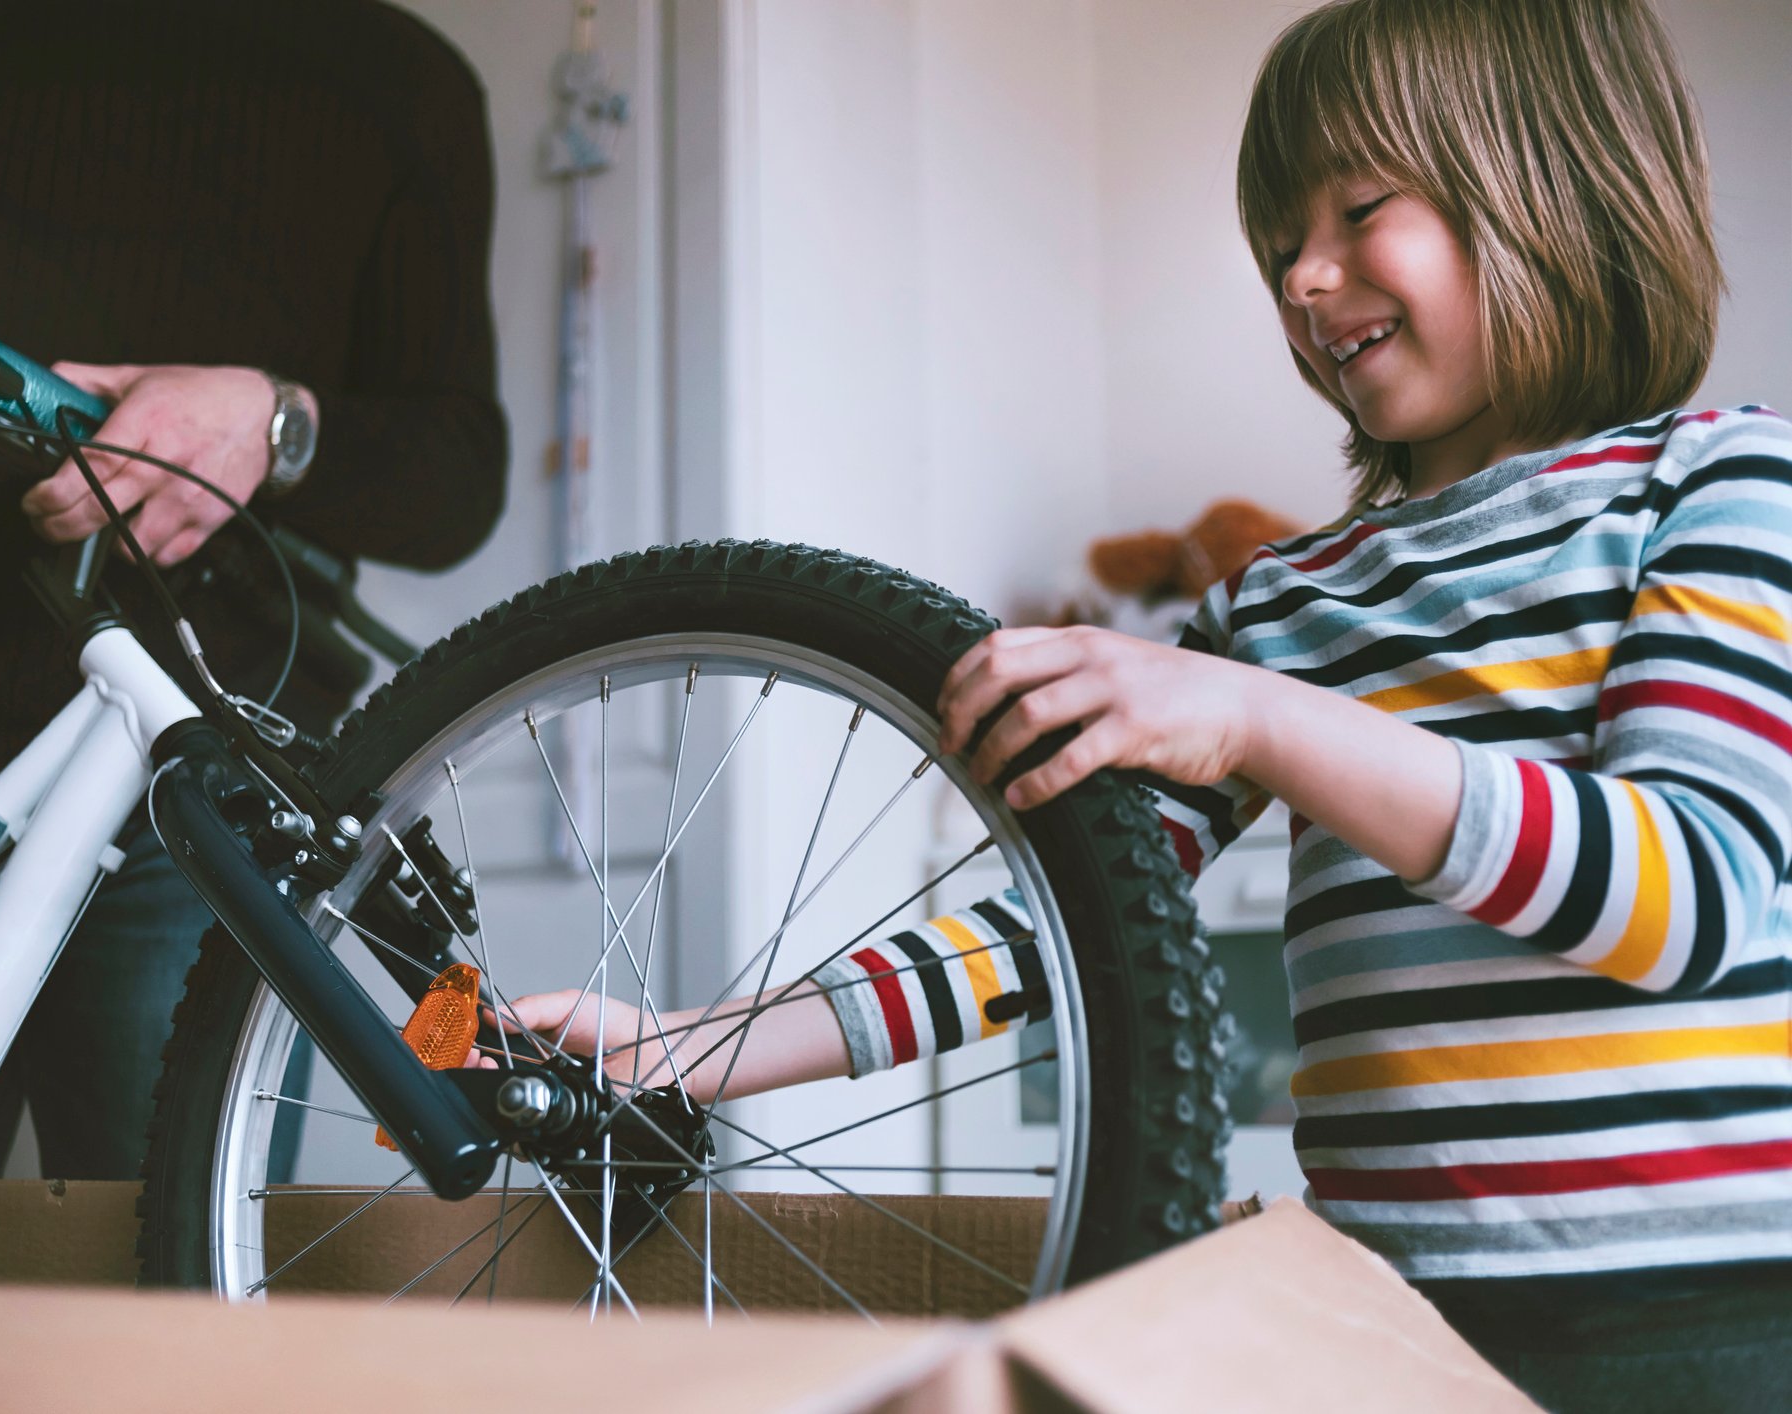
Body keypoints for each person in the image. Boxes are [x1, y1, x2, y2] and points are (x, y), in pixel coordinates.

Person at [499, 1, 1792, 1406]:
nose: (1305, 276)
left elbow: (1686, 889)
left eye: (1360, 208)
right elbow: (1057, 921)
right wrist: (696, 1045)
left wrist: (1261, 721)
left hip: (1713, 1307)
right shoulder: (1281, 603)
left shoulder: (1719, 486)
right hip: (1388, 1316)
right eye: (1279, 242)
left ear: (1555, 176)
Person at [0, 0, 507, 1180]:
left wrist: (273, 425)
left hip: (213, 801)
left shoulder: (412, 87)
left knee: (177, 1299)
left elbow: (458, 474)